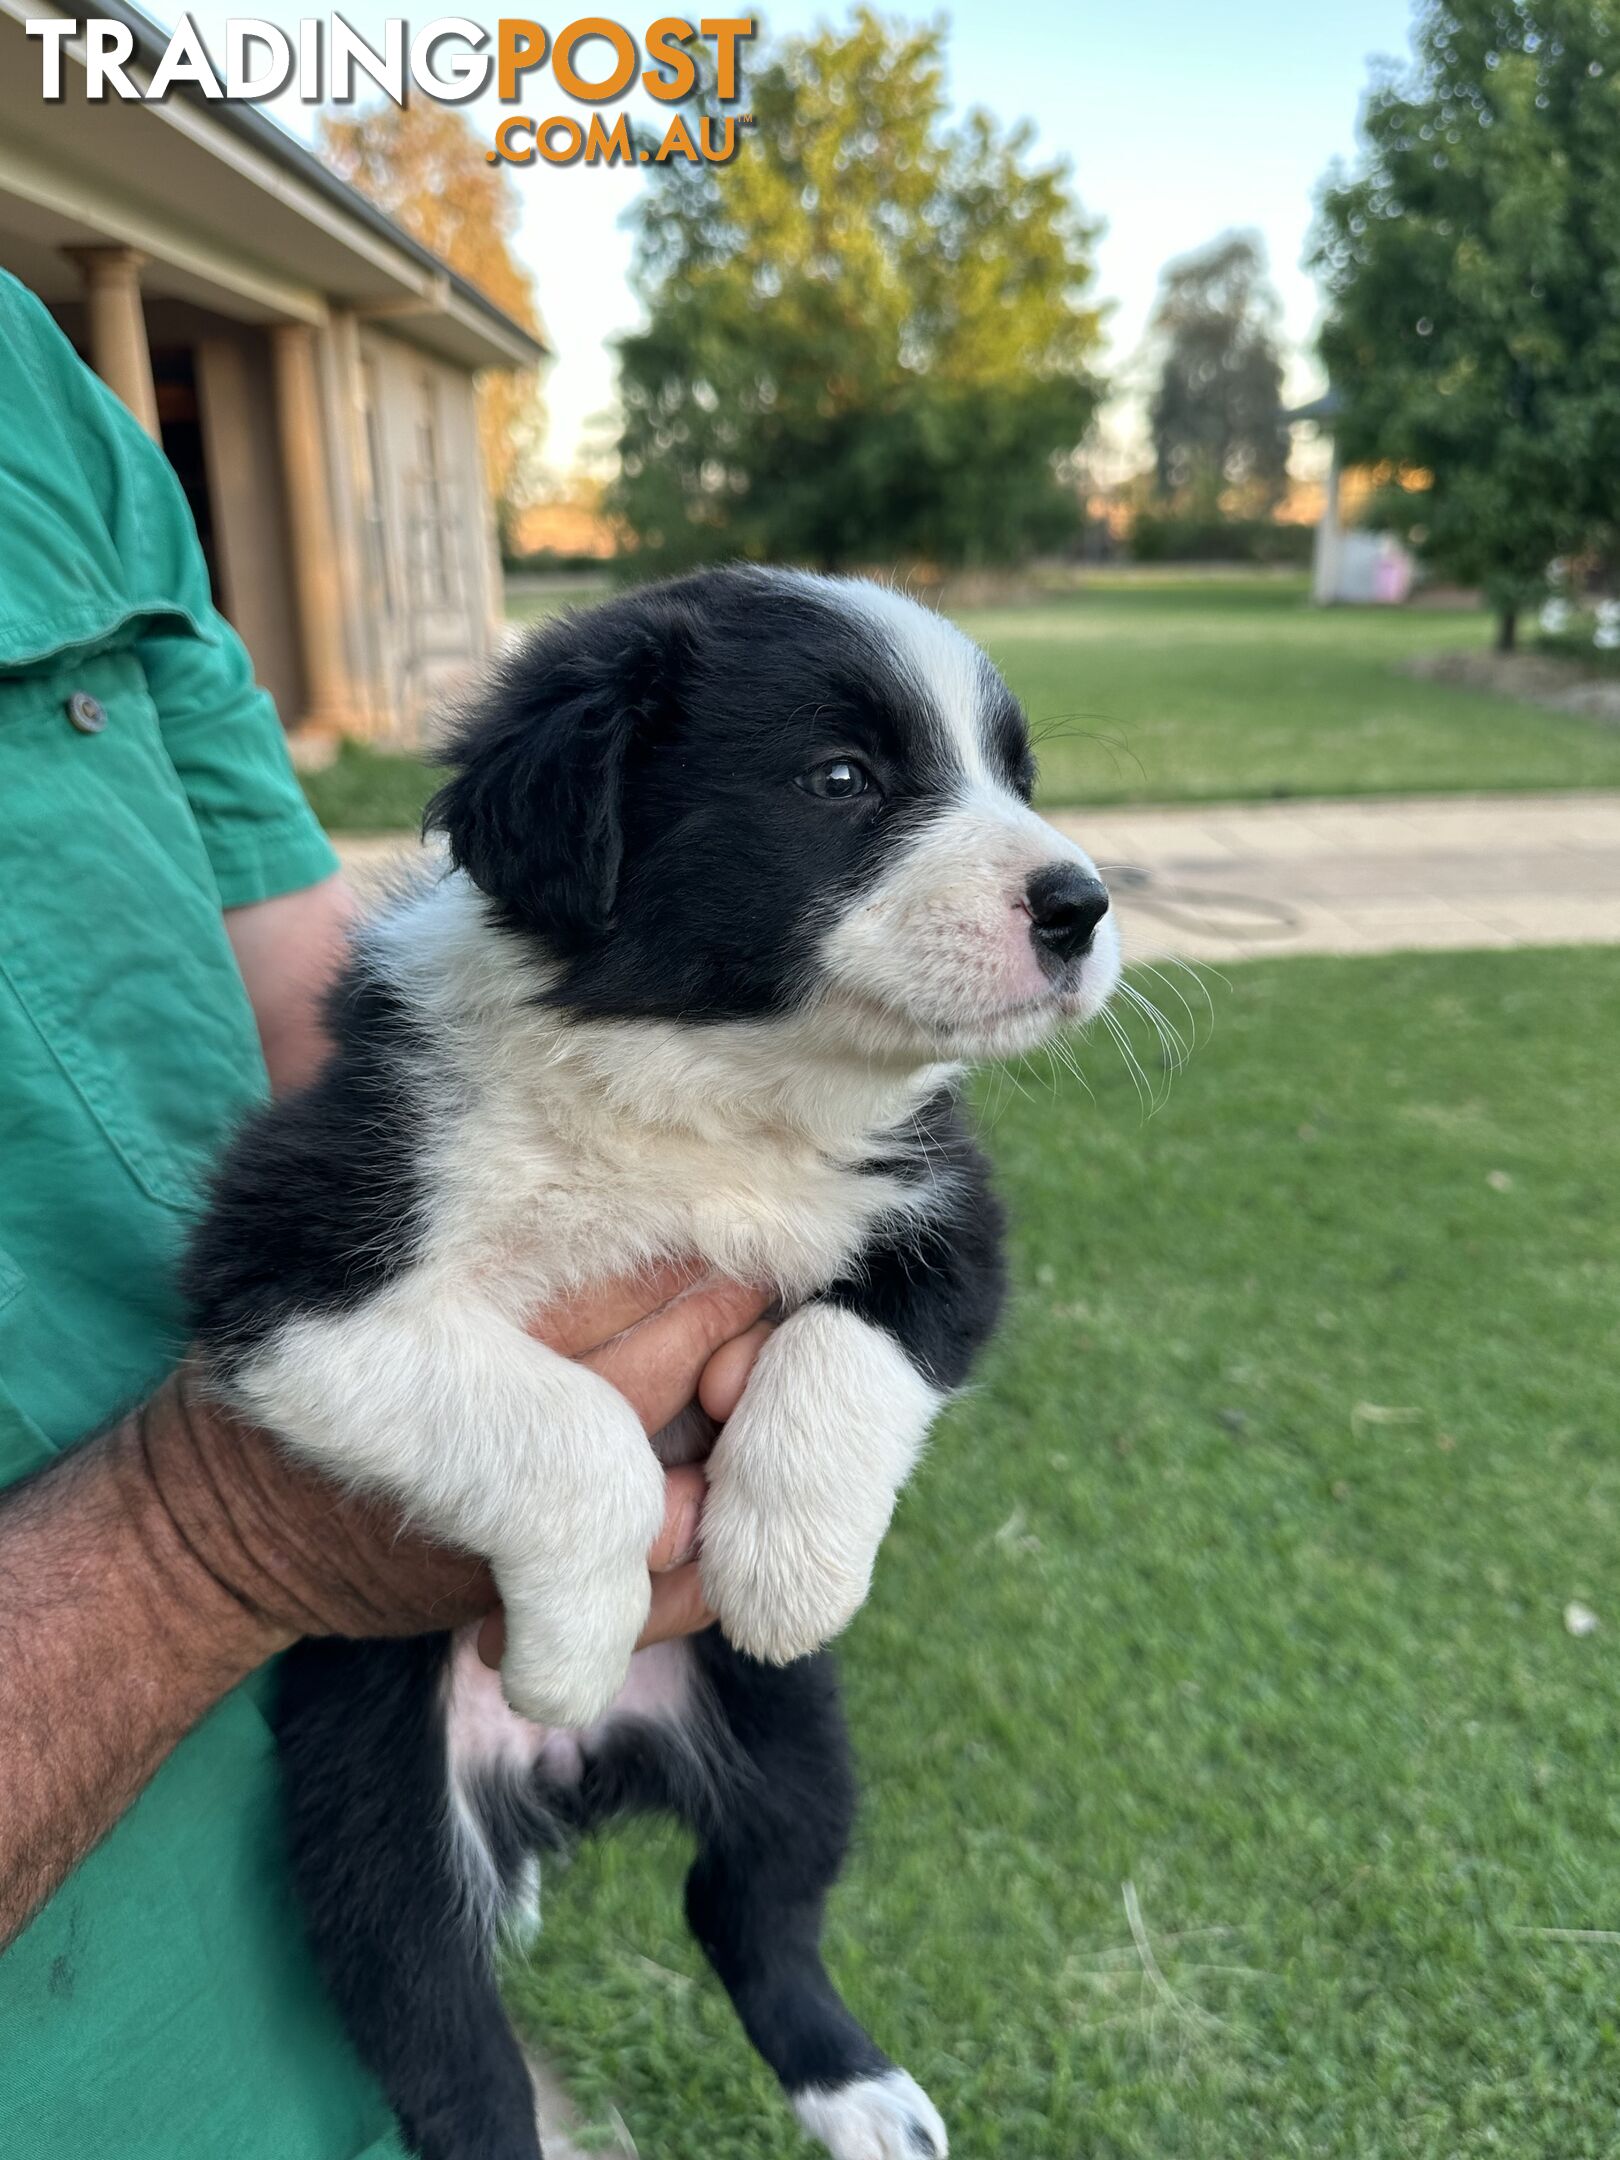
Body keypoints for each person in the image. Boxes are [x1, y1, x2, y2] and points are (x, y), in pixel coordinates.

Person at [0, 271, 769, 2158]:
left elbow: (327, 1007)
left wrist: (682, 1160)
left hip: (325, 1982)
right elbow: (253, 1491)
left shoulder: (30, 375)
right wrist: (206, 1542)